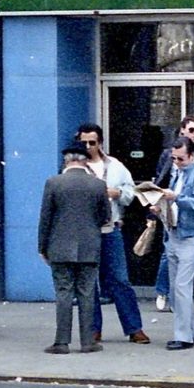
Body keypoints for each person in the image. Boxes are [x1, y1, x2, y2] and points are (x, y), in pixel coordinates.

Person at [75, 123, 149, 345]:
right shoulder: (74, 167)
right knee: (88, 282)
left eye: (92, 142)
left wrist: (117, 193)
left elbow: (131, 191)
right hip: (86, 230)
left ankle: (134, 328)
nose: (88, 147)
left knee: (119, 279)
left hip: (111, 227)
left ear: (100, 143)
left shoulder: (115, 166)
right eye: (84, 143)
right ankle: (93, 329)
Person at [37, 143, 112, 354]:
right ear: (85, 160)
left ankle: (61, 342)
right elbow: (106, 216)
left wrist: (42, 247)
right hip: (89, 247)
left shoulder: (53, 183)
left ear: (66, 161)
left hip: (59, 247)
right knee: (87, 293)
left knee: (63, 293)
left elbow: (46, 219)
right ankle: (88, 341)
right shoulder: (98, 184)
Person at [152, 114, 194, 311]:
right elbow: (160, 178)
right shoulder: (169, 154)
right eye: (191, 130)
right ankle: (164, 291)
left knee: (185, 253)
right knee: (168, 252)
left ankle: (179, 298)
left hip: (190, 206)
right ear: (182, 130)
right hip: (170, 206)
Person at [157, 137, 194, 350]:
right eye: (174, 158)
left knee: (181, 287)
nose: (177, 162)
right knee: (176, 288)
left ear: (191, 156)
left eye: (181, 158)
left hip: (190, 237)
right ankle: (191, 332)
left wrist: (175, 197)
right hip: (174, 233)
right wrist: (161, 204)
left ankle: (183, 336)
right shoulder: (177, 175)